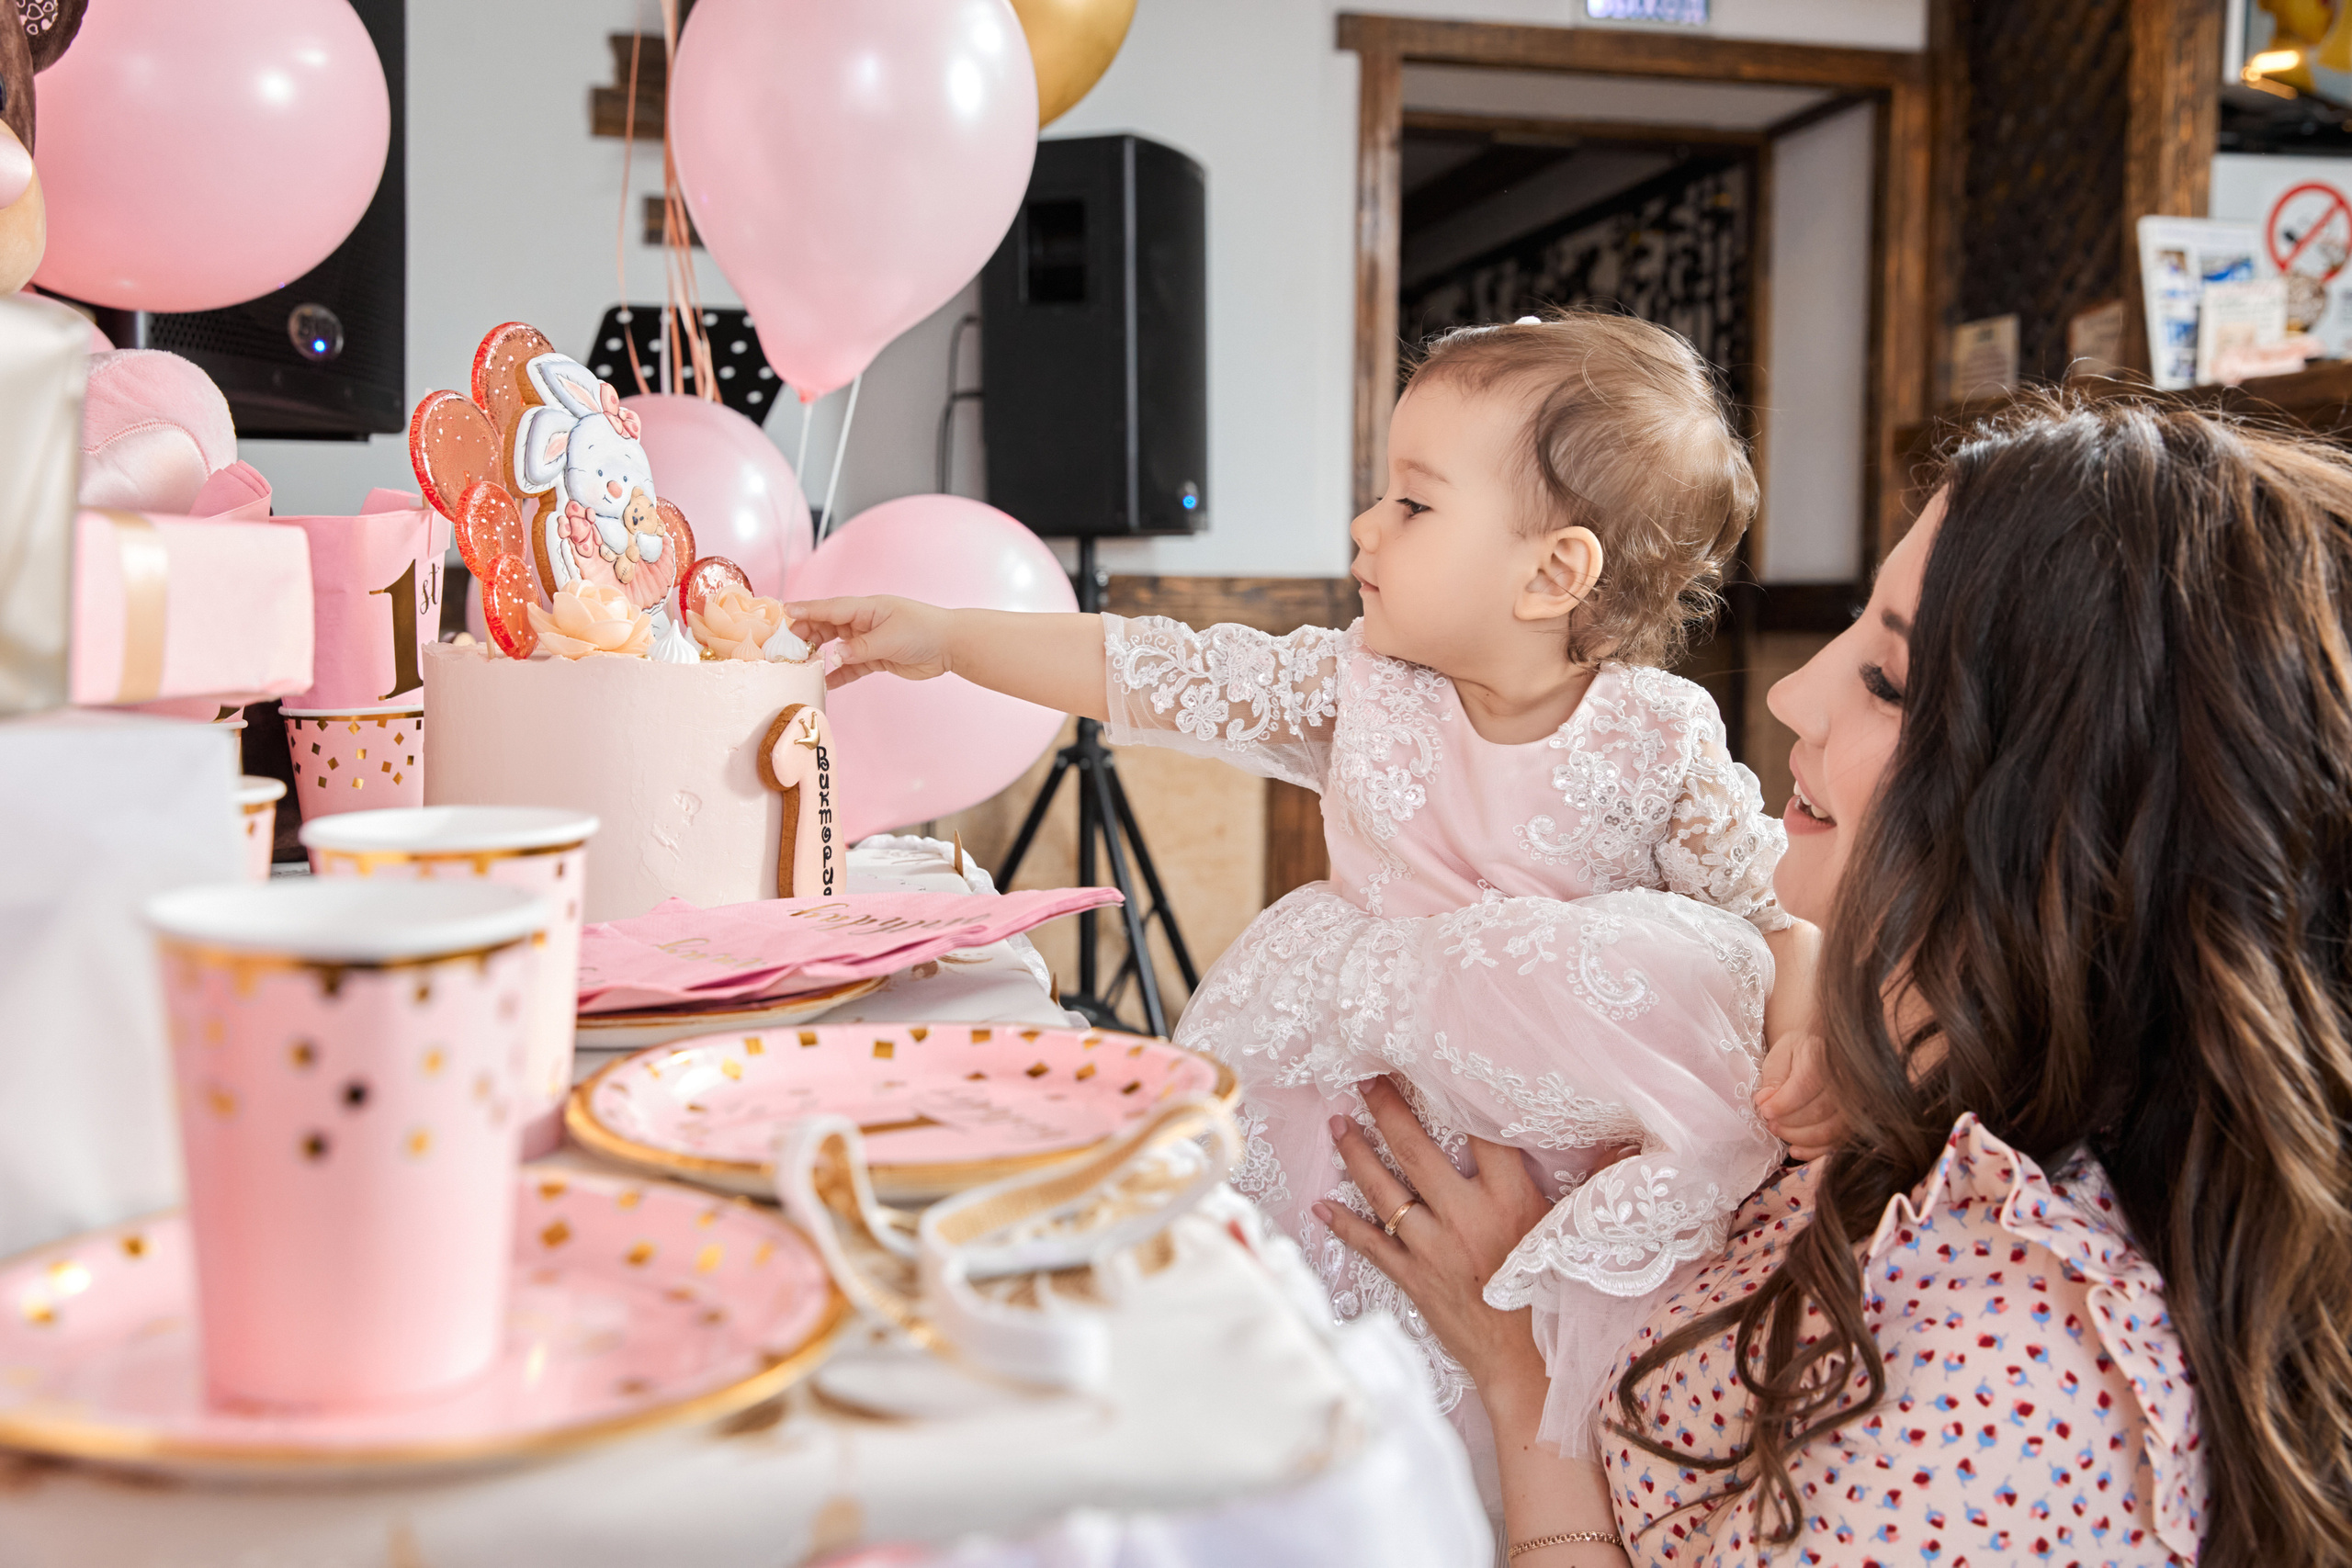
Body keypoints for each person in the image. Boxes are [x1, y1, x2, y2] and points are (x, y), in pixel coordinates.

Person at [786, 311, 1817, 1495]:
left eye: (1413, 507)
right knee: (1325, 1361)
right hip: (1345, 1107)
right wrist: (949, 636)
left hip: (1544, 1168)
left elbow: (1764, 920)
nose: (1363, 527)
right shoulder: (1355, 690)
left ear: (1553, 572)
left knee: (1514, 1403)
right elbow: (1156, 670)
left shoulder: (1658, 735)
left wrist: (1808, 1059)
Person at [1319, 395, 2352, 1567]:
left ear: (2084, 823)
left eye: (1889, 682)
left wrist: (1520, 1375)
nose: (1792, 693)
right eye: (1855, 630)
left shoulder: (2012, 1372)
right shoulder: (1899, 1083)